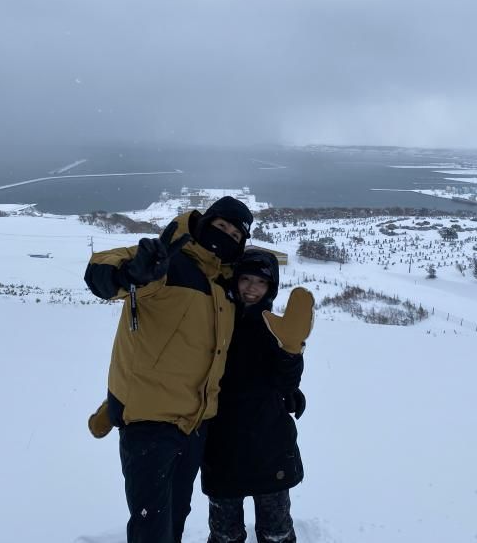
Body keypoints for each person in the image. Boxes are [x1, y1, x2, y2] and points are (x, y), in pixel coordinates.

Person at [83, 196, 254, 543]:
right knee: (152, 529)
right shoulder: (167, 264)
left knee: (175, 517)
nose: (227, 236)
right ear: (205, 224)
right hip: (151, 425)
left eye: (236, 235)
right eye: (221, 226)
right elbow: (103, 271)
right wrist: (130, 272)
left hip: (195, 426)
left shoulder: (224, 288)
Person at [202, 248, 313, 543]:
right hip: (221, 444)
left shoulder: (276, 328)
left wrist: (291, 351)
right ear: (235, 280)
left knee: (276, 533)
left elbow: (285, 381)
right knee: (225, 534)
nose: (251, 288)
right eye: (246, 279)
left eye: (261, 282)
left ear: (271, 288)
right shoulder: (215, 324)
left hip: (269, 444)